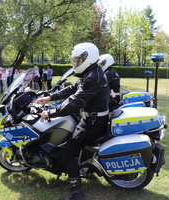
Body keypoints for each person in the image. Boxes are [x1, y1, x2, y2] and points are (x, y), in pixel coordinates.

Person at [35, 43, 110, 200]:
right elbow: (73, 88)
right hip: (91, 118)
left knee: (68, 152)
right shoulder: (92, 72)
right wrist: (51, 97)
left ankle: (76, 192)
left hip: (92, 123)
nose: (76, 63)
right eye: (75, 60)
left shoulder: (93, 77)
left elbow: (75, 102)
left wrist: (50, 112)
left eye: (78, 60)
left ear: (87, 58)